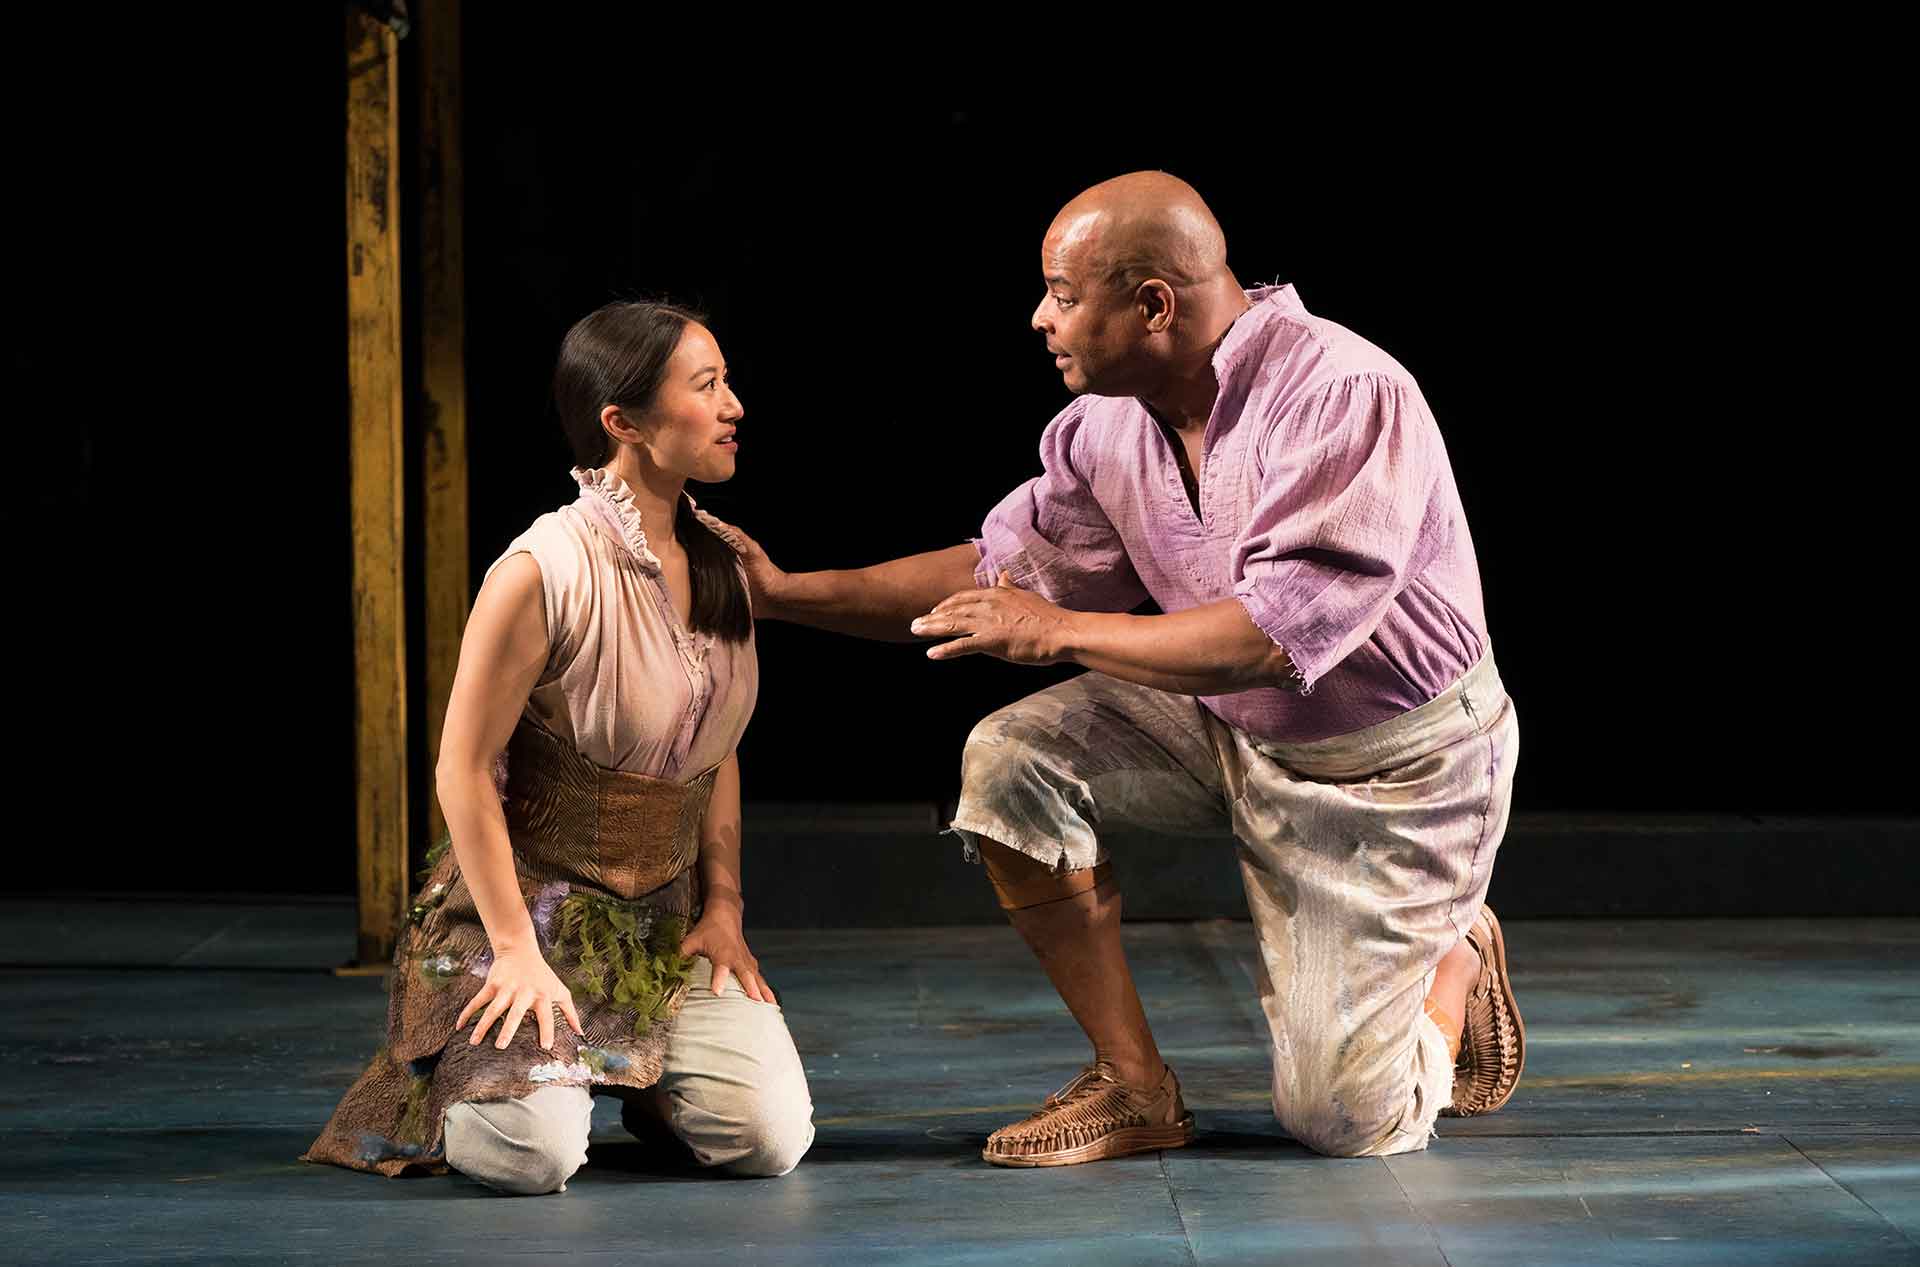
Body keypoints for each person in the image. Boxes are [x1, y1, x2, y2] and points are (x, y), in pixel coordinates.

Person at [711, 171, 1522, 1166]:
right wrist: (790, 591)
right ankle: (1134, 1085)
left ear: (1151, 304)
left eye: (1062, 292)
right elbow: (1000, 569)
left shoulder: (1344, 395)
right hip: (1224, 717)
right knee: (1011, 759)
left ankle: (1453, 953)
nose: (1040, 317)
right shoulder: (1115, 421)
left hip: (1392, 766)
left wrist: (1055, 632)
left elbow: (1275, 636)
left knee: (1350, 1122)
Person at [305, 301, 814, 1193]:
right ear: (623, 423)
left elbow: (714, 752)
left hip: (658, 926)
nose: (735, 405)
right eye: (707, 386)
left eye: (727, 380)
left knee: (767, 1138)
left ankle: (639, 1078)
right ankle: (475, 1069)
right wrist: (511, 944)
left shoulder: (727, 563)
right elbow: (460, 768)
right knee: (530, 1156)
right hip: (524, 917)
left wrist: (723, 905)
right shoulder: (544, 569)